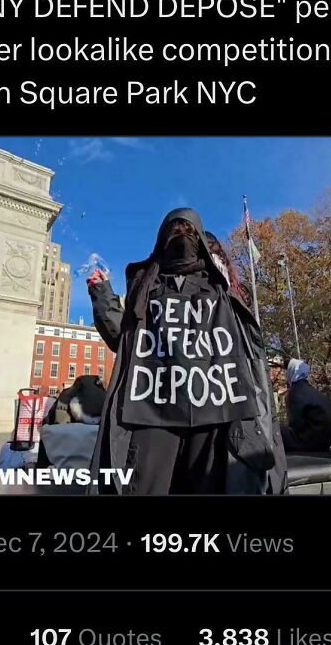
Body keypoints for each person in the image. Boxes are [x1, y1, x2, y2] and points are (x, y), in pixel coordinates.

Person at [87, 208, 286, 495]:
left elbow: (248, 354)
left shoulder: (221, 291)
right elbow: (126, 340)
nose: (181, 239)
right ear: (160, 242)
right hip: (151, 413)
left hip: (216, 414)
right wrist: (103, 295)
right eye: (173, 233)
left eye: (189, 233)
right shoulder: (147, 289)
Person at [279, 358, 331, 452]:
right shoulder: (311, 390)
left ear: (290, 371)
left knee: (276, 430)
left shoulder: (295, 391)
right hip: (326, 442)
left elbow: (296, 423)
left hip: (309, 442)